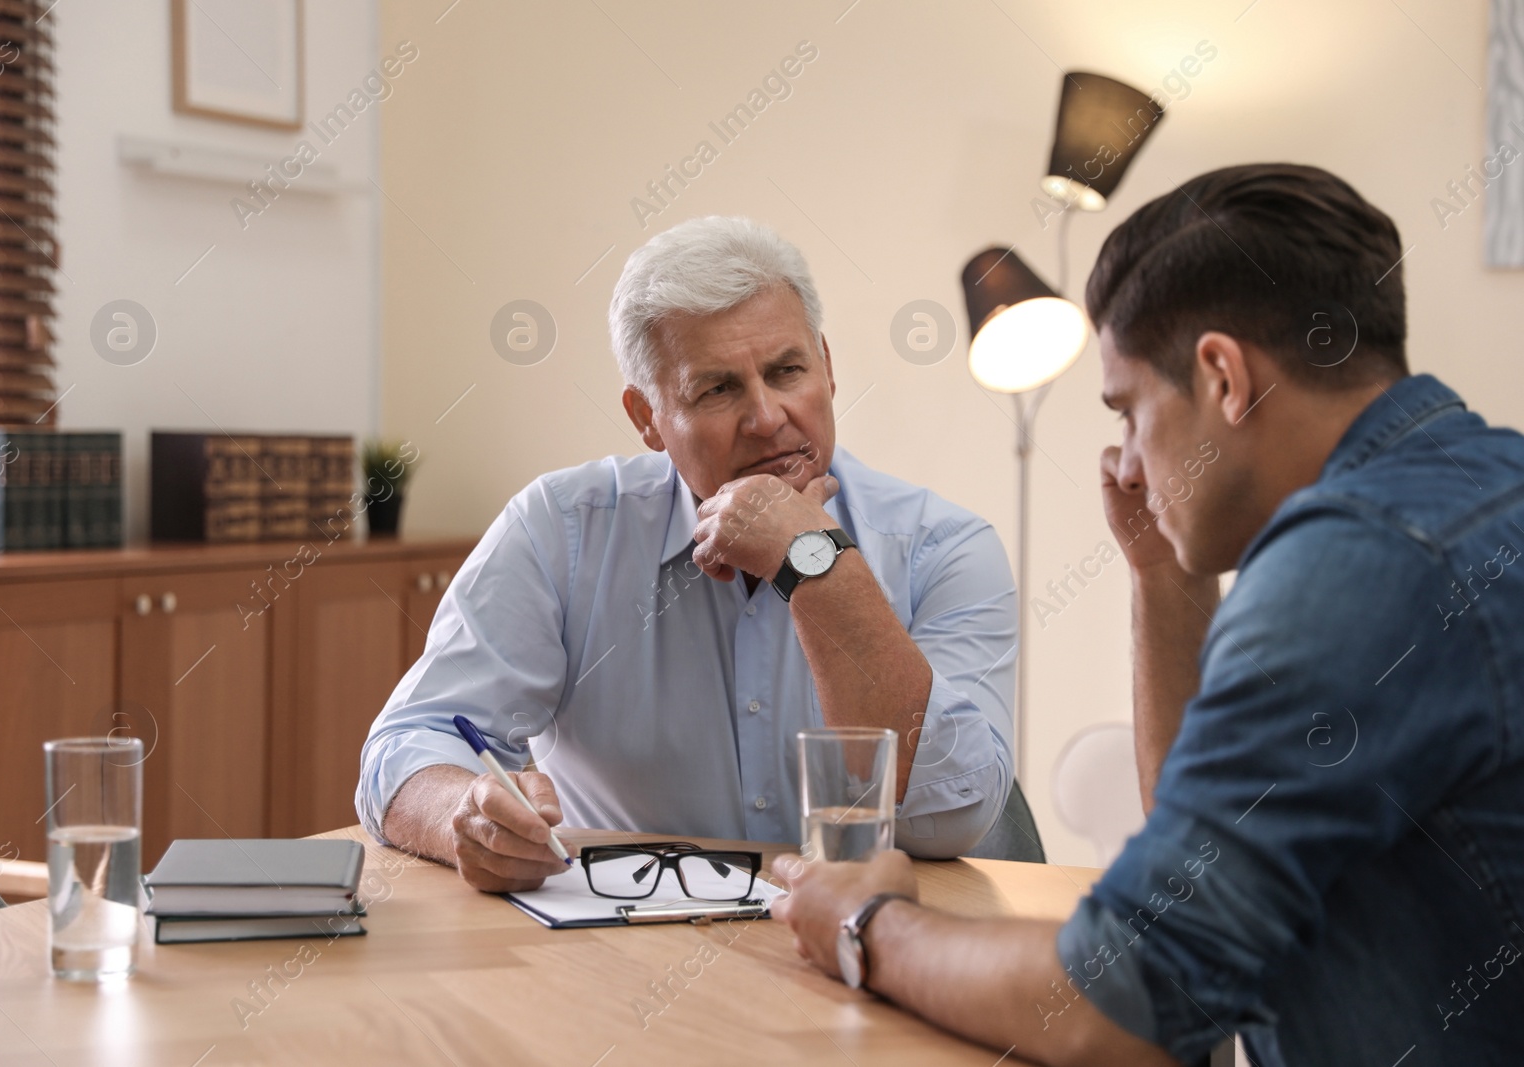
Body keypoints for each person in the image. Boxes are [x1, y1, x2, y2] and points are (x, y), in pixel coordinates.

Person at [771, 163, 1524, 1065]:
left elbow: (1122, 1002)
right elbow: (1206, 863)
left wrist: (865, 922)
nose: (1126, 461)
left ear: (1222, 377)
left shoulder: (1358, 567)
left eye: (1128, 410)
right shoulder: (1481, 486)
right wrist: (1163, 573)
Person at [357, 216, 1018, 891]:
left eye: (787, 371)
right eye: (718, 389)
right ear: (646, 417)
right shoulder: (561, 530)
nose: (766, 416)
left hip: (865, 954)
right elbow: (410, 741)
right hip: (625, 957)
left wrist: (814, 559)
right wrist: (464, 817)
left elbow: (953, 813)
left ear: (827, 366)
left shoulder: (945, 547)